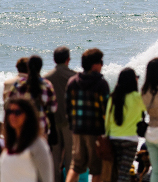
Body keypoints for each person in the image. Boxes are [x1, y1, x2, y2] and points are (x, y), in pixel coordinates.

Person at [65, 48, 110, 182]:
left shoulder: (73, 82)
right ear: (94, 64)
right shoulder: (101, 84)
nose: (102, 64)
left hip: (77, 131)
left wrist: (73, 126)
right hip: (95, 132)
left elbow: (68, 107)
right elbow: (106, 110)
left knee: (76, 166)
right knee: (97, 170)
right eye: (100, 62)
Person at [105, 67, 146, 181]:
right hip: (130, 140)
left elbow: (107, 120)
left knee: (115, 171)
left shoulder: (113, 97)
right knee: (123, 172)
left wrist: (105, 137)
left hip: (113, 139)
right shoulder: (138, 98)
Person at [0, 97, 54, 182]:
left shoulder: (38, 145)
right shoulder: (11, 145)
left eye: (17, 112)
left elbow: (47, 179)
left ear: (28, 115)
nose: (12, 116)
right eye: (9, 112)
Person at [44, 46, 76, 182]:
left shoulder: (46, 78)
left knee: (54, 159)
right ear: (68, 59)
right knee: (70, 160)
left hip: (52, 122)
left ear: (54, 60)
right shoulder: (74, 76)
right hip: (70, 123)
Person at [9, 55, 57, 136]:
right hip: (41, 128)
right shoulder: (47, 85)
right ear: (41, 67)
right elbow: (52, 109)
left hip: (22, 127)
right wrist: (53, 131)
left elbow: (9, 105)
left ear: (28, 66)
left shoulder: (18, 84)